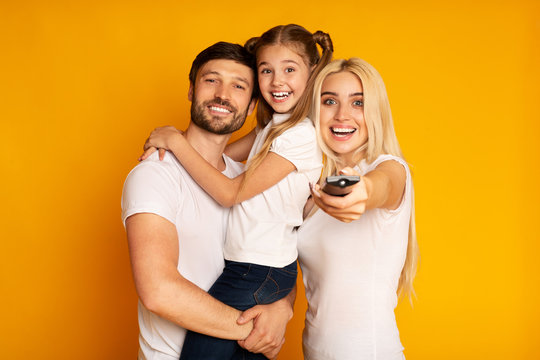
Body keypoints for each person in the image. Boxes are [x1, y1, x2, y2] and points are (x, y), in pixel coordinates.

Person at [140, 24, 333, 359]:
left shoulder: (299, 136)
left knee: (201, 350)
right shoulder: (272, 127)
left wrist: (174, 140)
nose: (277, 81)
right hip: (254, 266)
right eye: (266, 70)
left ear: (312, 74)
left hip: (255, 269)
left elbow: (230, 193)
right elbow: (221, 159)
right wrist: (176, 153)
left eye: (290, 69)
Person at [121, 42, 295, 360]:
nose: (222, 95)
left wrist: (283, 307)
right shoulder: (155, 175)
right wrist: (255, 331)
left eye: (238, 86)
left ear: (252, 103)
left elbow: (280, 258)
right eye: (211, 80)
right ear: (191, 90)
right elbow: (159, 291)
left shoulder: (248, 179)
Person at [297, 58, 419, 359]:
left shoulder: (390, 167)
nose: (342, 115)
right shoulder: (309, 189)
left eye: (358, 103)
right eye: (329, 101)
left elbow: (383, 185)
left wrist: (362, 190)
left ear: (375, 111)